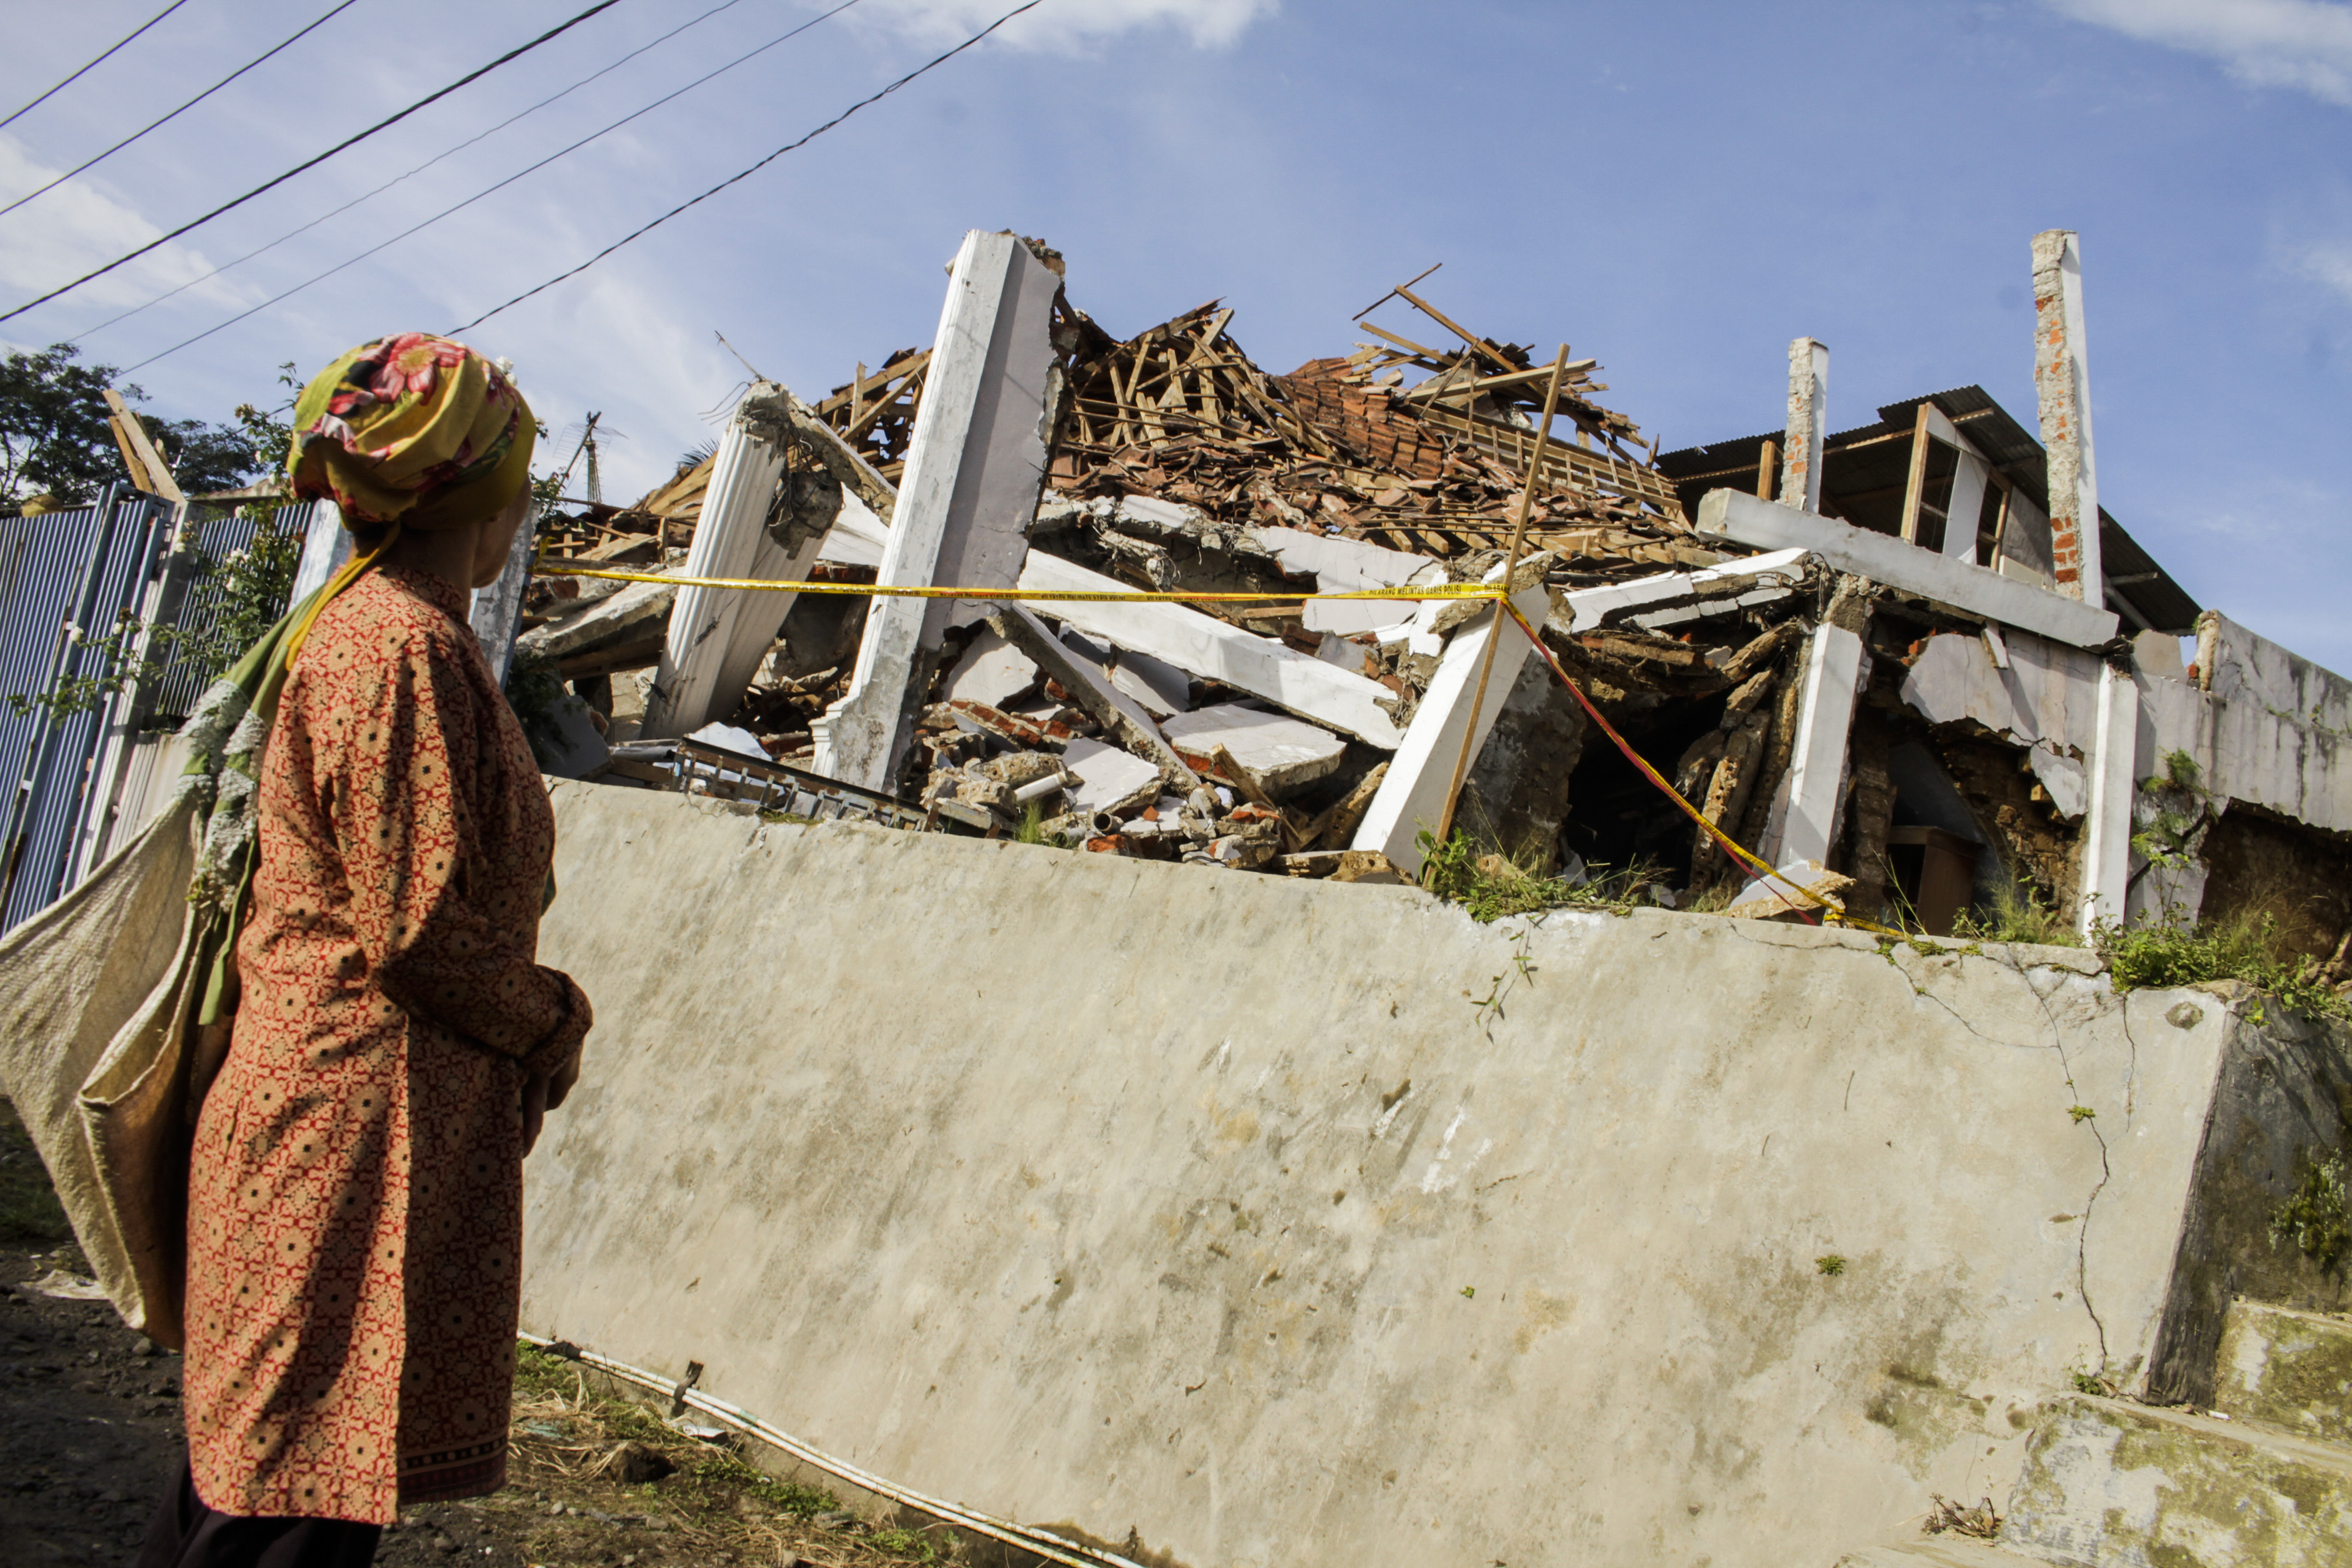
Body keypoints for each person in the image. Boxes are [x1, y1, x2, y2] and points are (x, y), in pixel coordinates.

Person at [138, 335, 593, 1568]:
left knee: (261, 1475)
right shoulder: (401, 648)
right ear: (485, 496)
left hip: (337, 1126)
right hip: (345, 1142)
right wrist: (554, 1016)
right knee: (280, 1505)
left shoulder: (370, 630)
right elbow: (424, 935)